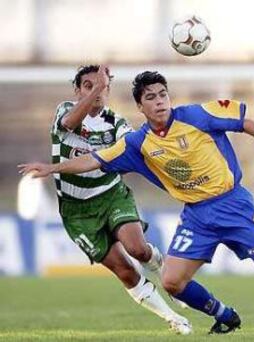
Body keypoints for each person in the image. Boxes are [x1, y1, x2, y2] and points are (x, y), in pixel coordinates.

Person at [19, 71, 254, 334]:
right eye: (151, 98)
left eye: (163, 95)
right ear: (140, 107)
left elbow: (243, 121)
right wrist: (52, 168)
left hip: (234, 205)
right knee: (171, 281)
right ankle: (225, 316)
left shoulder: (197, 115)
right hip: (197, 216)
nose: (160, 102)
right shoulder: (137, 143)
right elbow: (93, 160)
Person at [25, 65, 191, 335]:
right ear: (77, 91)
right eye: (88, 86)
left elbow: (130, 152)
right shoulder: (65, 112)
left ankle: (161, 270)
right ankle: (173, 318)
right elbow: (69, 125)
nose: (97, 91)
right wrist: (98, 87)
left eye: (101, 86)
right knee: (125, 270)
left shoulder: (117, 123)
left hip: (111, 196)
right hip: (77, 212)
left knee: (138, 249)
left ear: (109, 91)